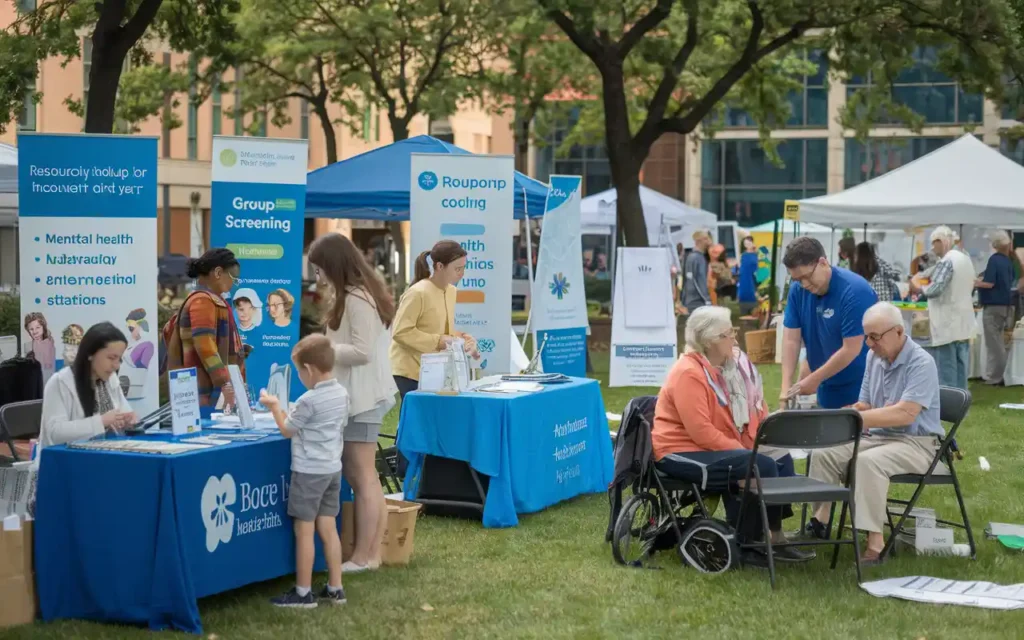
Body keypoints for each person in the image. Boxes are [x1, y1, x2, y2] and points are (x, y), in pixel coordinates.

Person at [651, 306, 814, 561]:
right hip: (679, 451)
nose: (735, 339)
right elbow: (701, 432)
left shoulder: (715, 369)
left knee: (780, 458)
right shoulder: (689, 373)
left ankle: (775, 536)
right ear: (710, 341)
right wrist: (741, 450)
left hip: (701, 447)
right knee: (757, 464)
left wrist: (747, 442)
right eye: (729, 334)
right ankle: (748, 544)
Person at [806, 302, 943, 564]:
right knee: (824, 453)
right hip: (880, 436)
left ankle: (876, 542)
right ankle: (819, 520)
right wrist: (853, 411)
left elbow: (905, 414)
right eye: (866, 336)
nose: (869, 343)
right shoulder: (874, 357)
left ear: (899, 332)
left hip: (918, 443)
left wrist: (857, 417)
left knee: (868, 463)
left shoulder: (921, 363)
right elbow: (866, 403)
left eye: (875, 337)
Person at [308, 232, 397, 573]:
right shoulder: (356, 295)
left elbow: (360, 351)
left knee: (362, 479)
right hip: (359, 397)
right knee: (365, 479)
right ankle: (369, 553)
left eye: (319, 270)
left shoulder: (358, 298)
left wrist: (323, 349)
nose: (318, 277)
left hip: (362, 399)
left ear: (334, 265)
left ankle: (365, 556)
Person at [261, 334, 349, 608]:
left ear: (308, 369)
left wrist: (276, 407)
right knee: (329, 527)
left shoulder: (309, 401)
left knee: (304, 530)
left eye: (299, 371)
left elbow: (287, 430)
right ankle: (336, 587)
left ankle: (303, 593)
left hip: (309, 472)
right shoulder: (342, 394)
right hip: (333, 469)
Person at [780, 237, 877, 409]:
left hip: (860, 386)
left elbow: (851, 348)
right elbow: (791, 339)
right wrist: (786, 386)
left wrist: (814, 379)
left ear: (823, 262)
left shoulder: (855, 291)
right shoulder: (798, 291)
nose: (803, 284)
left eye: (806, 276)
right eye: (797, 280)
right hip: (826, 385)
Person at [390, 240, 479, 400]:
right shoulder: (418, 292)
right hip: (410, 370)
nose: (462, 273)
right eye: (457, 268)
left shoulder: (451, 291)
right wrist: (439, 341)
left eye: (464, 267)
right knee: (416, 421)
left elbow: (441, 330)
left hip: (435, 369)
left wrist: (463, 339)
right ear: (439, 266)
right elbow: (400, 332)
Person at [164, 248, 245, 409]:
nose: (233, 284)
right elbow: (205, 345)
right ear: (217, 273)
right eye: (233, 278)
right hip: (202, 395)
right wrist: (224, 382)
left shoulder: (211, 300)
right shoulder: (203, 301)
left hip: (204, 392)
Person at [39, 322, 136, 450]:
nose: (116, 365)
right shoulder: (60, 382)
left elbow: (123, 413)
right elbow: (55, 433)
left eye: (119, 359)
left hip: (105, 456)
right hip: (66, 463)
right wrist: (101, 421)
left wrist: (129, 420)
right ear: (90, 353)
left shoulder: (110, 379)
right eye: (111, 358)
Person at [908, 226, 975, 390]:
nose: (932, 247)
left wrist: (919, 289)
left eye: (934, 243)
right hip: (963, 319)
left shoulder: (947, 261)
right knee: (961, 367)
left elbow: (935, 289)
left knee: (947, 369)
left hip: (947, 320)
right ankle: (962, 401)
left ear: (942, 242)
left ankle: (949, 404)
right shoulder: (964, 258)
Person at [976, 230, 1016, 385]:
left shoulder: (994, 260)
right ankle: (998, 374)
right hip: (1005, 305)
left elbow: (990, 283)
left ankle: (995, 376)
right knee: (1000, 340)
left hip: (993, 305)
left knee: (994, 343)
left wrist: (975, 282)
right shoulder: (1008, 261)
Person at [682, 230, 713, 311]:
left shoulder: (699, 257)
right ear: (698, 241)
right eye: (705, 239)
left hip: (696, 301)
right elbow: (695, 280)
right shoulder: (695, 258)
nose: (708, 241)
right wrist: (706, 299)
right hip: (696, 301)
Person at [24, 312, 56, 384]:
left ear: (43, 327)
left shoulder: (49, 344)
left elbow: (48, 370)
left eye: (38, 327)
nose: (35, 332)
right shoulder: (27, 347)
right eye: (31, 329)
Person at [737, 237, 760, 316]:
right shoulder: (744, 256)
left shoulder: (752, 255)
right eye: (747, 243)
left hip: (749, 284)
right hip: (747, 284)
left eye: (750, 242)